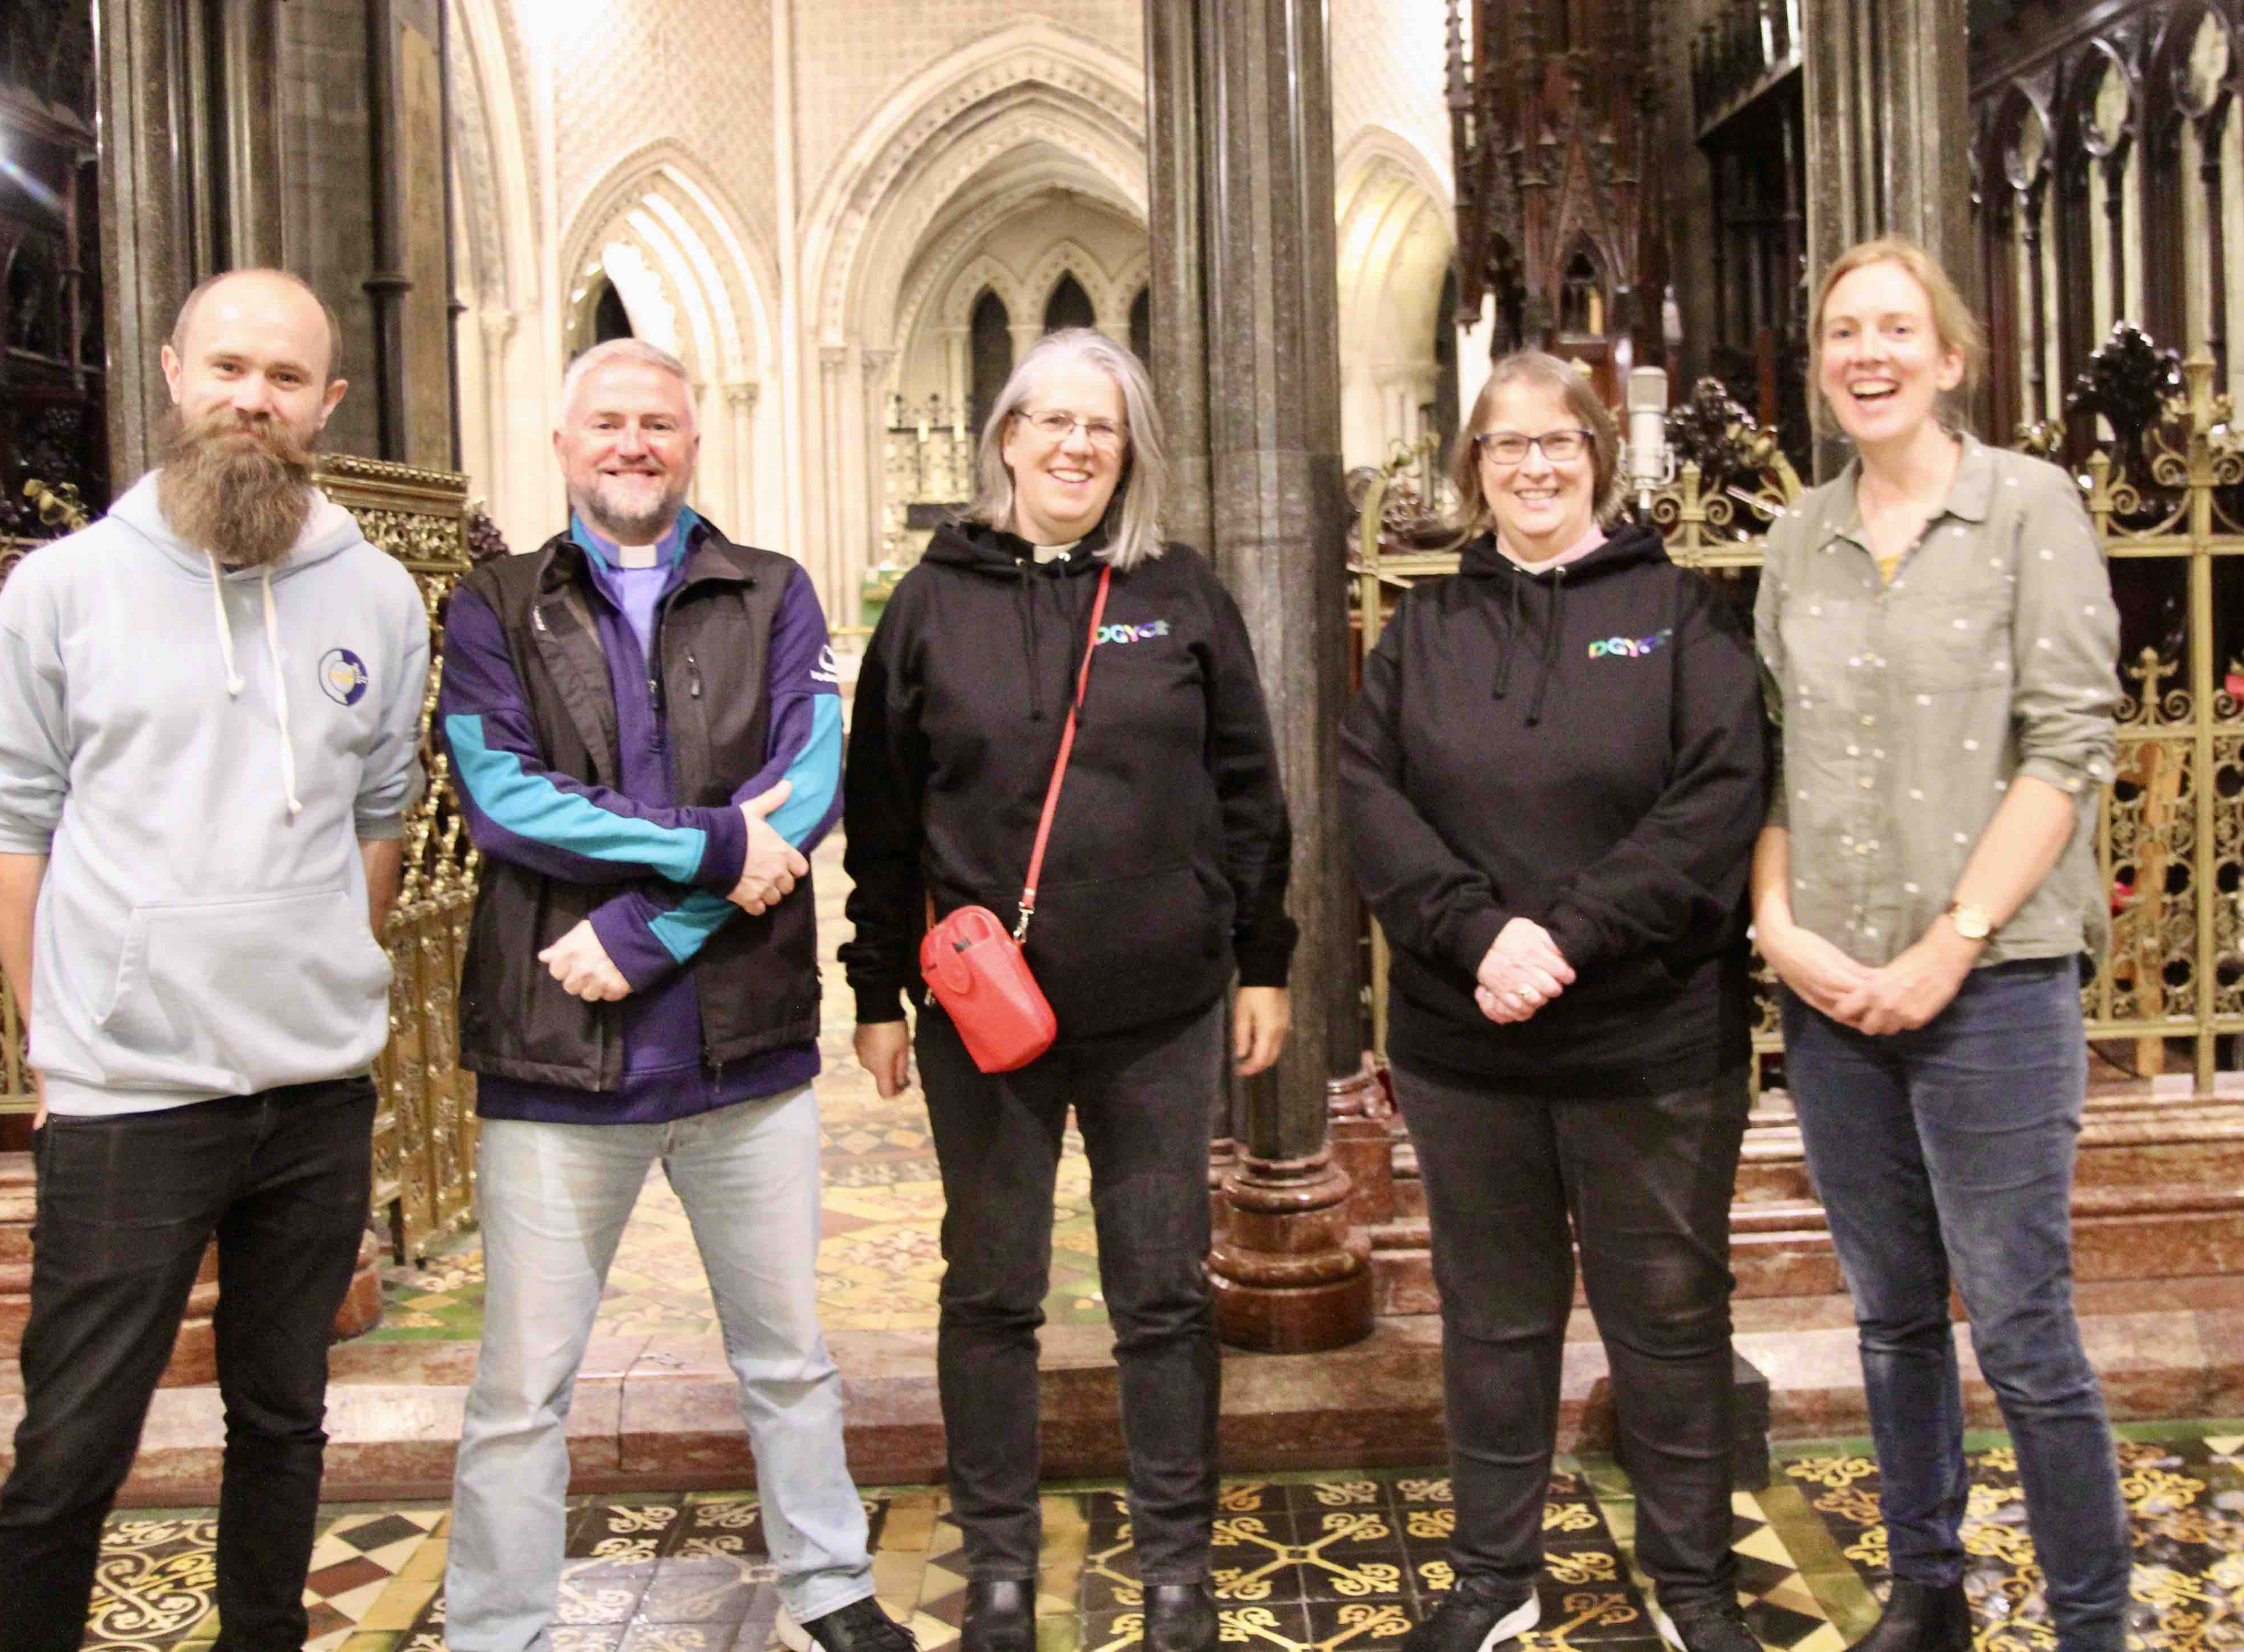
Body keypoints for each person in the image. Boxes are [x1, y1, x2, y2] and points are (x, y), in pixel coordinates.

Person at [0, 268, 431, 1651]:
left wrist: (319, 975)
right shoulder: (63, 591)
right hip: (128, 1097)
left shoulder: (381, 598)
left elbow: (379, 825)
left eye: (286, 380)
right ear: (171, 374)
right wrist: (58, 1039)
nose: (253, 399)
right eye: (228, 367)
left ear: (326, 405)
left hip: (312, 1095)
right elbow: (16, 836)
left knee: (284, 1422)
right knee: (72, 1445)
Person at [436, 338, 911, 1652]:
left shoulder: (770, 593)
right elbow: (503, 796)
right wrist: (709, 851)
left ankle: (829, 1587)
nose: (632, 443)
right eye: (607, 423)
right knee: (523, 1387)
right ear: (562, 444)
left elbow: (808, 789)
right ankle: (496, 1625)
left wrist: (653, 930)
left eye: (656, 421)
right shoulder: (495, 602)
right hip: (554, 1059)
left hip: (739, 1055)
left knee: (786, 1358)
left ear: (694, 441)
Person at [841, 328, 1295, 1652]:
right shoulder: (933, 598)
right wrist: (874, 986)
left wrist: (1260, 957)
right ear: (1004, 437)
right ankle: (995, 1566)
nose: (1073, 446)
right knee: (990, 1292)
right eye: (1049, 421)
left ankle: (1174, 1568)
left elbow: (1248, 794)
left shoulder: (1180, 592)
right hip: (987, 1023)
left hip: (1157, 1013)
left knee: (1160, 1292)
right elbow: (881, 807)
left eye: (1099, 426)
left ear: (1129, 448)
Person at [1341, 350, 1767, 1652]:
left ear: (1598, 456)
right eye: (1505, 445)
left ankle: (1690, 1582)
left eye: (1557, 443)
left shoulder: (1682, 614)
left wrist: (1563, 937)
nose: (1532, 465)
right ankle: (1493, 1576)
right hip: (1470, 1044)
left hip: (1649, 1040)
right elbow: (1370, 800)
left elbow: (1713, 800)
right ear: (1472, 468)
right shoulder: (1422, 628)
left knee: (1670, 1322)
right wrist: (1479, 937)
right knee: (1495, 1317)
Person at [1752, 237, 2130, 1652]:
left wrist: (1952, 943)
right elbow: (1774, 761)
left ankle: (2090, 1621)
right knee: (1891, 1314)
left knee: (2023, 1332)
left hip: (1997, 984)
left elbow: (2067, 747)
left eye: (1894, 330)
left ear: (1948, 358)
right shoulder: (1802, 534)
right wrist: (1777, 927)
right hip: (1832, 987)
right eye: (1842, 332)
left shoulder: (2027, 508)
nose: (1867, 354)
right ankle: (1928, 1594)